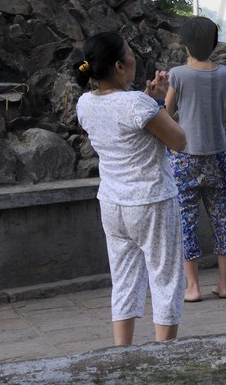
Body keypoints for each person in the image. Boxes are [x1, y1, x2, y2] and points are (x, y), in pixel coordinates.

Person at [73, 31, 189, 345]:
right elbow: (178, 140)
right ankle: (163, 357)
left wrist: (151, 103)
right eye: (129, 53)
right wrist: (158, 102)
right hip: (151, 201)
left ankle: (121, 356)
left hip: (112, 203)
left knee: (124, 279)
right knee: (166, 279)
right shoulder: (138, 103)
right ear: (119, 66)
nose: (134, 57)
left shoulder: (84, 103)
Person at [164, 16, 226, 301]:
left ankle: (192, 287)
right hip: (218, 154)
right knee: (222, 219)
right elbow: (225, 111)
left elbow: (167, 114)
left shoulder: (178, 74)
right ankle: (224, 284)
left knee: (187, 220)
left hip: (185, 157)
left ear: (185, 44)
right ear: (214, 43)